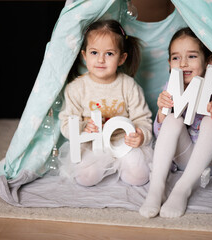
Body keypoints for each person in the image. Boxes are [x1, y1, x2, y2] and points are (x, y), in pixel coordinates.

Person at [139, 27, 212, 218]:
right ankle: (157, 187)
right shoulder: (172, 87)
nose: (182, 63)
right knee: (173, 119)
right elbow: (160, 134)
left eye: (191, 56)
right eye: (175, 58)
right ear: (169, 63)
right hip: (184, 157)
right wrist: (162, 112)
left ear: (209, 61)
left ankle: (182, 189)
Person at [58, 19, 153, 187]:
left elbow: (142, 119)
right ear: (84, 55)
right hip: (92, 144)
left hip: (122, 142)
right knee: (85, 178)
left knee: (139, 177)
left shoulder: (128, 85)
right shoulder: (76, 88)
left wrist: (141, 135)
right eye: (94, 53)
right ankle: (106, 166)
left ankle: (119, 165)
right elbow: (66, 123)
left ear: (122, 58)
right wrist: (83, 126)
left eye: (109, 54)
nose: (101, 59)